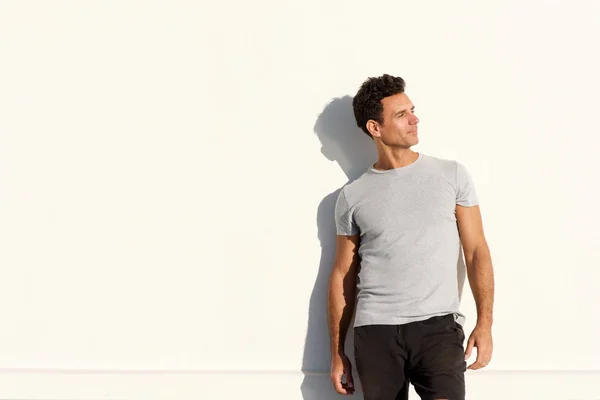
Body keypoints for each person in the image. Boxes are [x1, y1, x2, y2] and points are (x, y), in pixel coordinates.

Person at [327, 74, 495, 400]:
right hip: (375, 332)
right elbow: (341, 275)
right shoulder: (352, 196)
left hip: (438, 329)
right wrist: (336, 352)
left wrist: (485, 323)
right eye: (402, 115)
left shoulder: (452, 175)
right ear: (375, 128)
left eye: (412, 110)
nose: (415, 119)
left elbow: (477, 252)